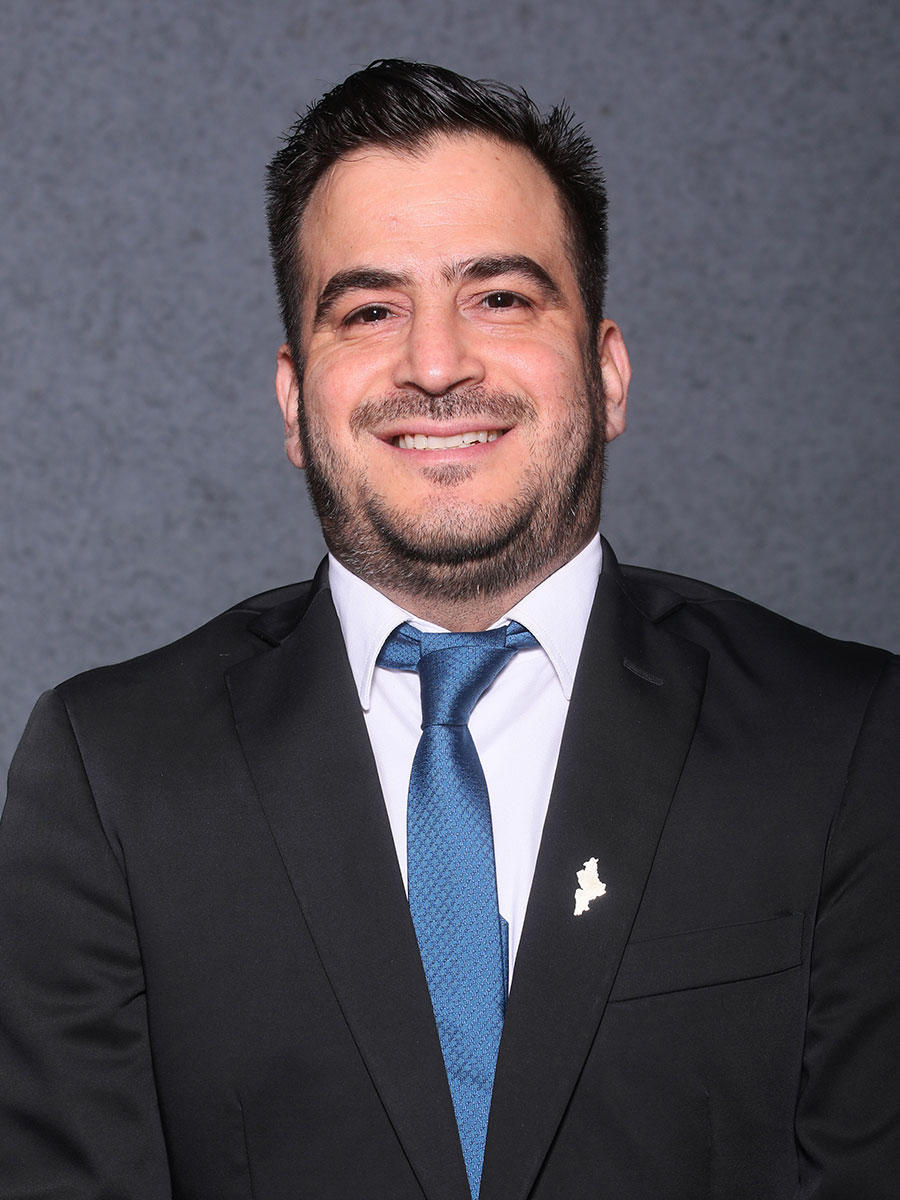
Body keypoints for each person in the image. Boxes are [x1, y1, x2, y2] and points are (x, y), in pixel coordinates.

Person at [0, 59, 896, 1200]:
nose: (435, 365)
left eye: (501, 298)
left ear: (609, 374)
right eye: (370, 310)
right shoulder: (113, 773)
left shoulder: (845, 742)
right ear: (294, 400)